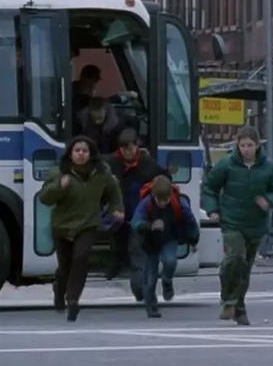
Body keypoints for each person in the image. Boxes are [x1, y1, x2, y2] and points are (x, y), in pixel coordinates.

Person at [201, 126, 273, 326]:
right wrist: (212, 209)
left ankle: (239, 308)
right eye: (242, 145)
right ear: (237, 146)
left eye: (249, 145)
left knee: (244, 268)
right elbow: (210, 186)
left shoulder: (269, 167)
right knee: (235, 257)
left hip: (255, 224)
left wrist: (268, 200)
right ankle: (228, 301)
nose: (246, 149)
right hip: (232, 221)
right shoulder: (227, 164)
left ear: (257, 146)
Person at [39, 135, 124, 321]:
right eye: (77, 150)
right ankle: (59, 290)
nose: (81, 154)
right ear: (70, 154)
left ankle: (73, 301)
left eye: (85, 151)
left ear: (91, 154)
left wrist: (117, 208)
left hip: (88, 224)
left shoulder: (102, 171)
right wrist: (59, 187)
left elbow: (113, 191)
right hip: (62, 226)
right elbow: (44, 198)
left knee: (81, 258)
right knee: (65, 267)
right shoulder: (59, 172)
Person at [104, 127, 167, 290]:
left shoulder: (147, 163)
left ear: (137, 146)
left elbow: (163, 178)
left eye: (130, 148)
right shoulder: (111, 163)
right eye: (124, 149)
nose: (127, 152)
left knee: (136, 248)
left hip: (138, 212)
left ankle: (138, 282)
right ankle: (117, 265)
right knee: (117, 242)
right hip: (118, 211)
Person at [131, 175, 200, 318]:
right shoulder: (146, 203)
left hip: (169, 238)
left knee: (170, 261)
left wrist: (193, 240)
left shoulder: (179, 203)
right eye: (159, 200)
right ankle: (151, 306)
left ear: (170, 196)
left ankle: (167, 280)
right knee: (150, 277)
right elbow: (135, 222)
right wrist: (150, 226)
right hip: (150, 242)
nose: (162, 203)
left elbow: (190, 222)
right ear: (153, 196)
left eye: (166, 200)